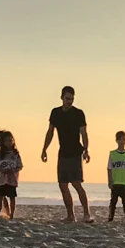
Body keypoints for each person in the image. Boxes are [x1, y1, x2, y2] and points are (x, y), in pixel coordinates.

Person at [42, 86, 91, 223]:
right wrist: (44, 149)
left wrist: (86, 149)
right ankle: (71, 215)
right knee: (63, 185)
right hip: (62, 152)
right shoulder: (56, 113)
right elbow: (50, 132)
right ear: (62, 97)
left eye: (72, 99)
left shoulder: (78, 113)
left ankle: (87, 214)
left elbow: (84, 133)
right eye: (67, 99)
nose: (70, 101)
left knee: (76, 183)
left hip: (75, 152)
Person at [0, 130, 24, 219]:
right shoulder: (0, 154)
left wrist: (13, 170)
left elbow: (20, 166)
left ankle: (12, 215)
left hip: (12, 179)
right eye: (7, 141)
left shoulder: (15, 154)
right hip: (2, 179)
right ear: (3, 142)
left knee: (12, 197)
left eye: (10, 140)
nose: (9, 143)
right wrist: (2, 170)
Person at [107, 131, 125, 223]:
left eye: (123, 139)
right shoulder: (112, 154)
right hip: (116, 182)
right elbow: (109, 168)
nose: (122, 141)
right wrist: (110, 181)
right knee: (113, 201)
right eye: (120, 139)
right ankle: (110, 217)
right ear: (116, 140)